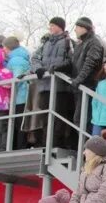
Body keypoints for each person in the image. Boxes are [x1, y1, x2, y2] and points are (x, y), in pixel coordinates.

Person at [29, 17, 75, 146]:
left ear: (60, 27)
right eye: (50, 25)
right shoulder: (45, 42)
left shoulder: (68, 42)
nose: (50, 28)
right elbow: (35, 58)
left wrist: (58, 68)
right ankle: (46, 145)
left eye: (53, 25)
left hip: (61, 87)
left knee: (59, 117)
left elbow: (72, 60)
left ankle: (56, 145)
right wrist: (38, 69)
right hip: (45, 86)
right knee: (45, 117)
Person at [70, 16, 106, 145]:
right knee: (78, 119)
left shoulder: (94, 43)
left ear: (85, 28)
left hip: (88, 86)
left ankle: (87, 150)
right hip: (79, 87)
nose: (75, 30)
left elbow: (90, 63)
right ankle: (84, 149)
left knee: (83, 119)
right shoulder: (81, 44)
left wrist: (78, 79)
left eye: (78, 27)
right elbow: (74, 63)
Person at [2, 36, 31, 148]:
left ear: (8, 47)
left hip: (19, 97)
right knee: (19, 124)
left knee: (19, 125)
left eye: (4, 47)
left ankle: (20, 147)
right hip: (20, 97)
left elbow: (17, 79)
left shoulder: (16, 60)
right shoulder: (19, 57)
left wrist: (6, 86)